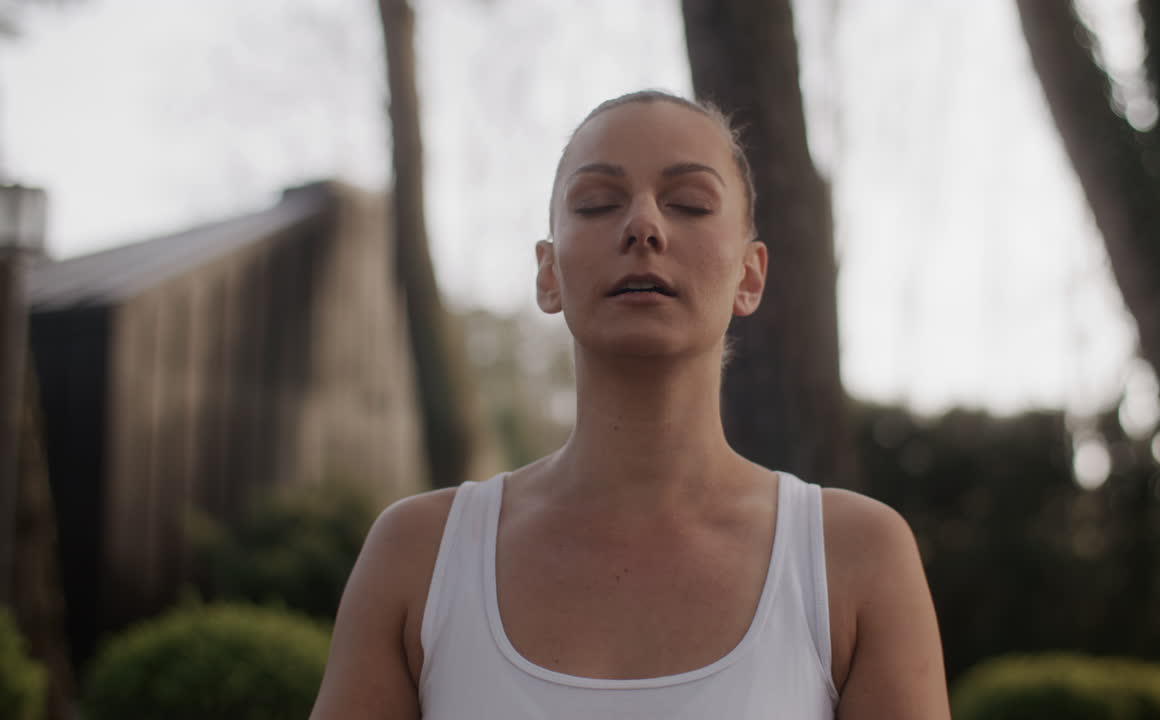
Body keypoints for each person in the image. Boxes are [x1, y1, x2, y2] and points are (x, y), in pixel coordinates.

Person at [310, 90, 949, 719]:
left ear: (749, 276)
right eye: (597, 204)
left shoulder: (855, 558)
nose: (643, 226)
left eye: (689, 204)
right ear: (548, 274)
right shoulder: (418, 556)